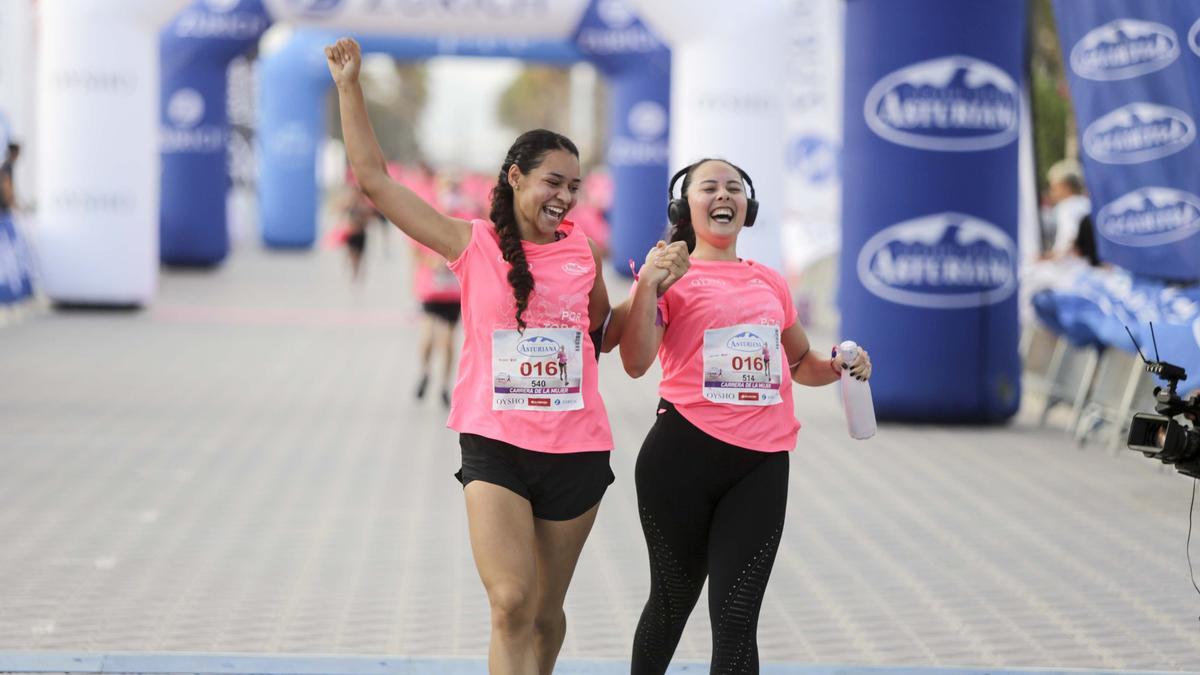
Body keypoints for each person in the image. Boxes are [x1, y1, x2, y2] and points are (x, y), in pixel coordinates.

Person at [325, 37, 689, 675]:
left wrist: (649, 285)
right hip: (495, 443)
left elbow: (603, 335)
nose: (565, 196)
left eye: (574, 186)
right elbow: (377, 182)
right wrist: (350, 85)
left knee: (546, 612)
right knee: (510, 601)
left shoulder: (582, 252)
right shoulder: (470, 244)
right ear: (514, 177)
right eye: (553, 181)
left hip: (576, 449)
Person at [619, 158, 873, 674]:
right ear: (683, 207)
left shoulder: (771, 282)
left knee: (736, 617)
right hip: (680, 458)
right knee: (671, 605)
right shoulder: (668, 276)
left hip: (760, 466)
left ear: (748, 207)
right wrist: (649, 286)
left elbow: (802, 363)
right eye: (709, 187)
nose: (723, 196)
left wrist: (843, 365)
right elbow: (634, 362)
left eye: (734, 188)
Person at [411, 237, 462, 407]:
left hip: (453, 295)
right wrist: (434, 263)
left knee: (447, 343)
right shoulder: (426, 221)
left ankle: (445, 386)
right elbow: (415, 254)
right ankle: (425, 372)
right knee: (427, 339)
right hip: (431, 292)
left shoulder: (468, 216)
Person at [1041, 158, 1091, 261]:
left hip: (1071, 267)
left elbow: (1069, 239)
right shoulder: (1087, 204)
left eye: (1053, 188)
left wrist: (1051, 257)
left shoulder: (1066, 207)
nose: (1051, 192)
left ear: (1065, 186)